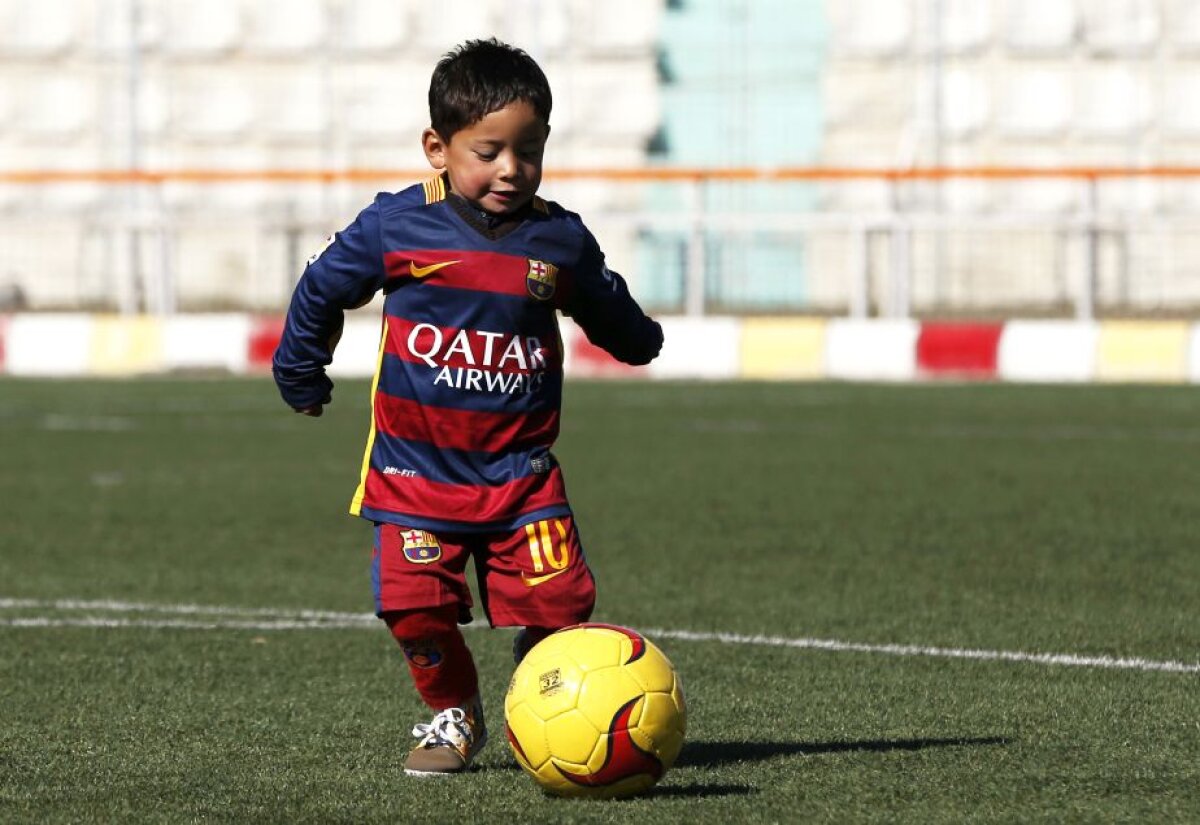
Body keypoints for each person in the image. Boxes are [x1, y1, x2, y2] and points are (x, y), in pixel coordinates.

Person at [272, 38, 663, 776]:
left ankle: (542, 686)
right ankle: (454, 711)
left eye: (529, 151)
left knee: (563, 610)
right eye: (488, 151)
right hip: (415, 475)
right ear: (437, 147)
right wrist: (300, 367)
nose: (510, 170)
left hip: (521, 477)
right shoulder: (397, 226)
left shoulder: (559, 238)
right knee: (412, 608)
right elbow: (323, 285)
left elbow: (605, 302)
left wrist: (638, 339)